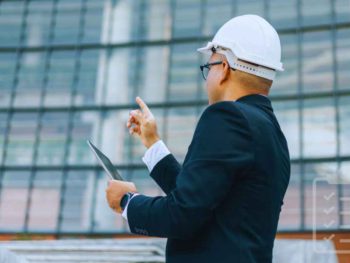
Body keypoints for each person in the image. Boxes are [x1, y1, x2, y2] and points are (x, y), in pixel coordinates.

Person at [106, 14, 291, 263]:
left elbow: (181, 215)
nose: (208, 79)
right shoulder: (273, 134)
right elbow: (201, 201)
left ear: (224, 68)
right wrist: (153, 144)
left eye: (209, 67)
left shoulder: (226, 116)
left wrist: (127, 202)